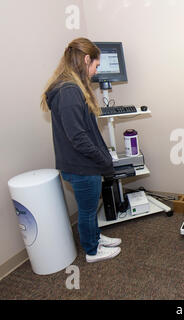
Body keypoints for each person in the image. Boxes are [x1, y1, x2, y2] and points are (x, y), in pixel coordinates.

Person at [41, 38, 122, 263]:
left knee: (89, 207)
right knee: (87, 212)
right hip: (82, 166)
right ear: (86, 59)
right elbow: (78, 137)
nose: (96, 72)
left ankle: (95, 237)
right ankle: (92, 250)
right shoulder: (69, 92)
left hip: (81, 164)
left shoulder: (71, 88)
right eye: (96, 66)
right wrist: (103, 160)